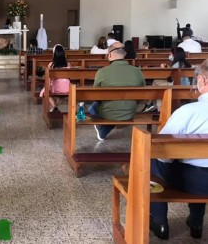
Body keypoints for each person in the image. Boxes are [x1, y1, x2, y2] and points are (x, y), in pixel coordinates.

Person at [149, 59, 208, 240]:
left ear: (204, 81)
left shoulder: (188, 111)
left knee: (150, 160)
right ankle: (196, 221)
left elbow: (163, 150)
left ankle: (159, 222)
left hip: (197, 181)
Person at [89, 42, 146, 140]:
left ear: (110, 55)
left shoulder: (102, 72)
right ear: (124, 55)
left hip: (107, 113)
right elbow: (143, 94)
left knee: (92, 107)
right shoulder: (137, 71)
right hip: (129, 112)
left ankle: (103, 128)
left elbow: (96, 95)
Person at [39, 44, 71, 112]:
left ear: (54, 54)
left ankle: (54, 106)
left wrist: (47, 86)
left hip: (55, 88)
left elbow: (48, 78)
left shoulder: (51, 64)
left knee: (45, 92)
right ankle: (55, 107)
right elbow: (69, 77)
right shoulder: (68, 64)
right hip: (66, 88)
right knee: (63, 95)